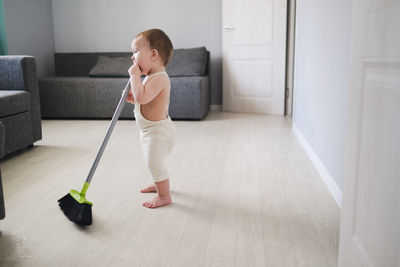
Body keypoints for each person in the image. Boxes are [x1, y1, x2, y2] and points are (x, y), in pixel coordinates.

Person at [126, 29, 176, 208]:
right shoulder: (150, 77)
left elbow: (142, 97)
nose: (133, 57)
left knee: (154, 161)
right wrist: (135, 100)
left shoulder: (160, 78)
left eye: (136, 51)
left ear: (153, 54)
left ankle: (164, 196)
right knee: (152, 161)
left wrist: (134, 76)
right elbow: (144, 100)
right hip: (149, 130)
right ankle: (158, 183)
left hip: (159, 132)